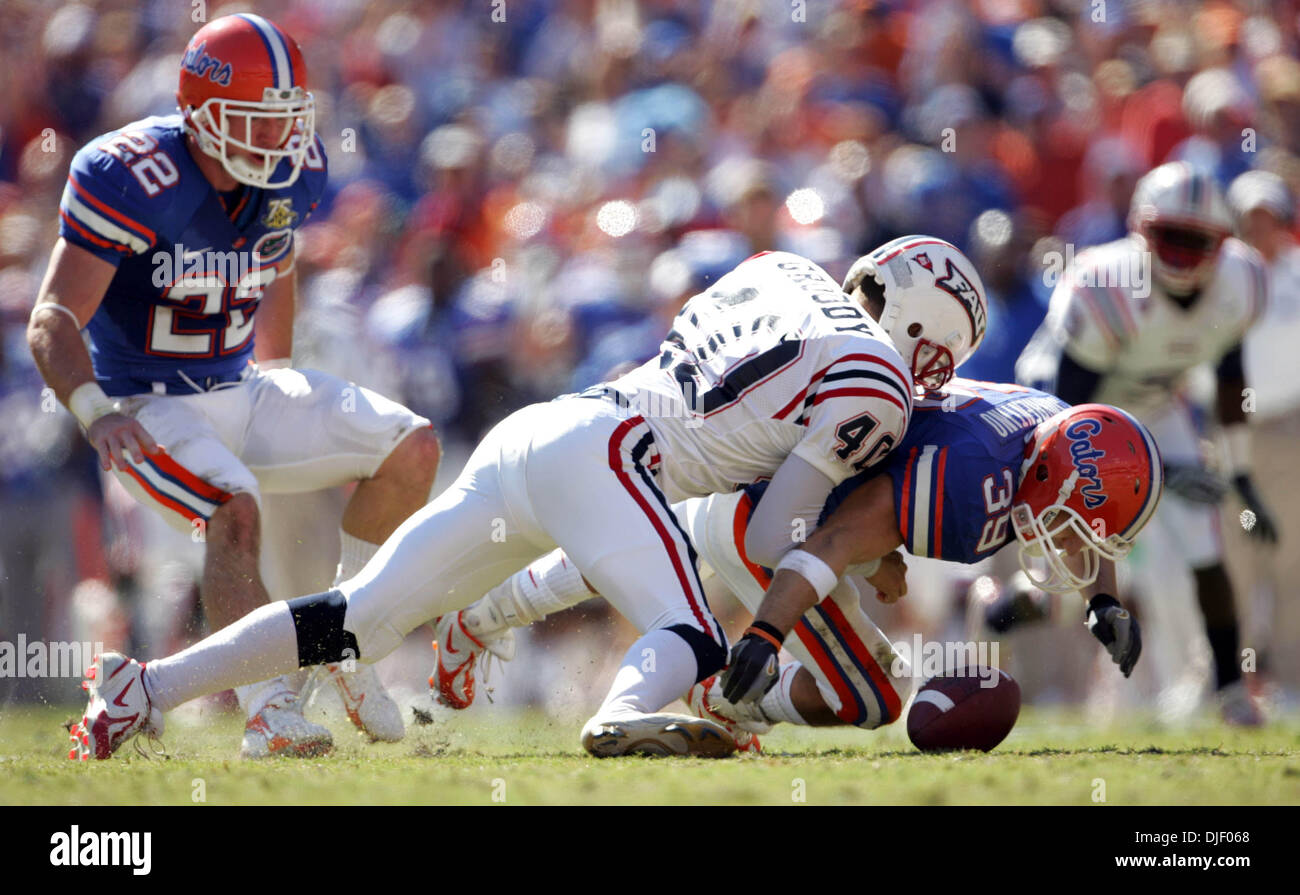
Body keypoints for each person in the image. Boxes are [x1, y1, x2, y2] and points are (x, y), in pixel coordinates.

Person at [70, 239, 985, 760]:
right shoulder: (877, 384)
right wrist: (841, 564)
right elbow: (782, 522)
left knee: (353, 618)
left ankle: (142, 685)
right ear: (928, 332)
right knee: (699, 634)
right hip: (617, 453)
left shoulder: (784, 269)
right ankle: (618, 716)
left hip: (544, 433)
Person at [30, 15, 440, 758]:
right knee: (235, 512)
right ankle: (267, 712)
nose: (280, 141)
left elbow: (276, 262)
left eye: (288, 121)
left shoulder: (293, 170)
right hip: (147, 402)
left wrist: (279, 373)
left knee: (411, 448)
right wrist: (93, 412)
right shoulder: (130, 174)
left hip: (240, 383)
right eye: (258, 122)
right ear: (203, 112)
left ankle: (347, 637)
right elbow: (53, 316)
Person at [428, 381, 1159, 750]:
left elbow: (1083, 518)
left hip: (763, 481)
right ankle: (730, 701)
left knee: (627, 552)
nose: (1075, 549)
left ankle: (479, 616)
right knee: (871, 699)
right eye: (1072, 530)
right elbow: (832, 543)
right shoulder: (973, 479)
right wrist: (765, 637)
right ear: (1042, 486)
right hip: (780, 524)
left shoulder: (1051, 428)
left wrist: (1102, 601)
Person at [1017, 161, 1277, 725]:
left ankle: (1231, 691)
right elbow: (1074, 418)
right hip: (1069, 410)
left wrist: (1238, 473)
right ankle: (1024, 602)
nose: (1183, 252)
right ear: (1140, 230)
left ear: (1222, 242)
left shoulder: (1242, 281)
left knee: (1206, 547)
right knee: (1068, 553)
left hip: (1157, 404)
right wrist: (1162, 474)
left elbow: (1231, 376)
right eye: (1171, 237)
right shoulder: (1103, 285)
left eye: (1196, 239)